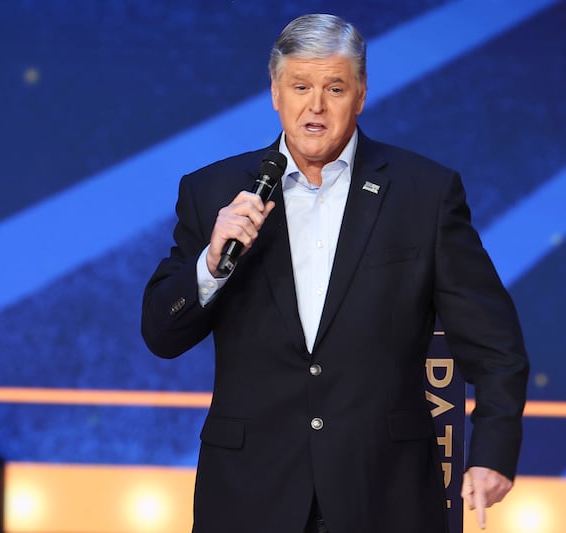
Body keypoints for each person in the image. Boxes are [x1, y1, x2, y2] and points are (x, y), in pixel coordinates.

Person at [141, 13, 528, 533]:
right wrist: (210, 265)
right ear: (275, 92)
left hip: (384, 493)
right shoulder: (214, 191)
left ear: (361, 94)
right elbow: (161, 334)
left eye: (335, 87)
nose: (315, 106)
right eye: (300, 86)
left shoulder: (424, 193)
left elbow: (494, 343)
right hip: (250, 494)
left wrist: (493, 452)